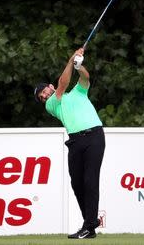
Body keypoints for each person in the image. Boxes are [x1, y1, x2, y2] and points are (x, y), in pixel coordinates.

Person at [34, 48, 105, 239]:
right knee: (77, 184)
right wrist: (71, 59)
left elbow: (85, 79)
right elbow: (63, 83)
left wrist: (79, 66)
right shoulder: (52, 104)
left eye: (43, 91)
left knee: (90, 180)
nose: (43, 96)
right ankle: (90, 224)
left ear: (49, 86)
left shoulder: (78, 93)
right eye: (41, 97)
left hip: (95, 136)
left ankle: (88, 226)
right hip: (75, 141)